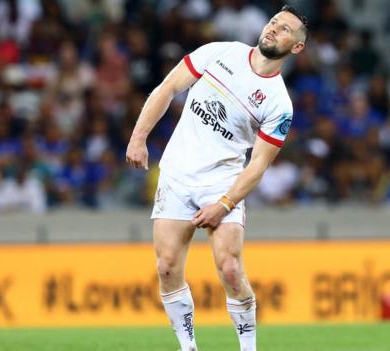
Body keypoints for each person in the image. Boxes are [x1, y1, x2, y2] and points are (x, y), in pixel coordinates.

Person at [125, 5, 308, 351]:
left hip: (222, 182)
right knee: (166, 268)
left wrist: (224, 204)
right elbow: (167, 88)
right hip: (177, 174)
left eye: (285, 30)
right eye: (273, 22)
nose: (273, 30)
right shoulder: (219, 52)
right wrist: (138, 137)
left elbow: (258, 165)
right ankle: (189, 347)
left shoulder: (279, 103)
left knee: (230, 269)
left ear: (297, 47)